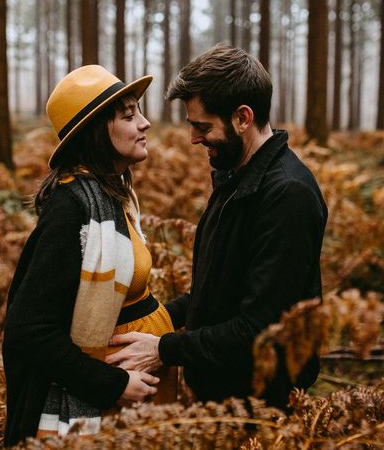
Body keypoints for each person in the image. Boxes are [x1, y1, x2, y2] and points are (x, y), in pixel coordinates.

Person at [106, 45, 328, 410]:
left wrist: (164, 350)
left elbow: (260, 328)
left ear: (243, 118)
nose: (193, 138)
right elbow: (220, 291)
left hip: (260, 407)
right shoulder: (235, 177)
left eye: (202, 126)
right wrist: (155, 320)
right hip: (223, 395)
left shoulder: (288, 196)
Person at [2, 65, 177, 446]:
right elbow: (28, 331)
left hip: (135, 394)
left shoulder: (114, 196)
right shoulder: (72, 210)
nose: (145, 123)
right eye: (129, 115)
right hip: (105, 403)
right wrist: (112, 385)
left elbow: (130, 304)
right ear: (98, 130)